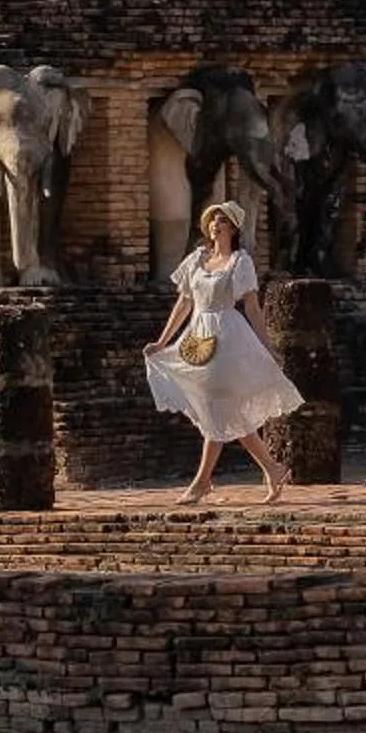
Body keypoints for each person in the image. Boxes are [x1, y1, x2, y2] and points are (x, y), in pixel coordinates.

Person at [144, 201, 303, 505]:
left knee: (218, 407)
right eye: (213, 220)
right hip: (197, 336)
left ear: (233, 228)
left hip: (228, 336)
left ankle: (202, 481)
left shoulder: (240, 262)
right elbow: (184, 304)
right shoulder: (196, 260)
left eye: (223, 221)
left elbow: (253, 307)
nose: (216, 225)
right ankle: (273, 467)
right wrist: (163, 342)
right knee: (223, 410)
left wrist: (268, 347)